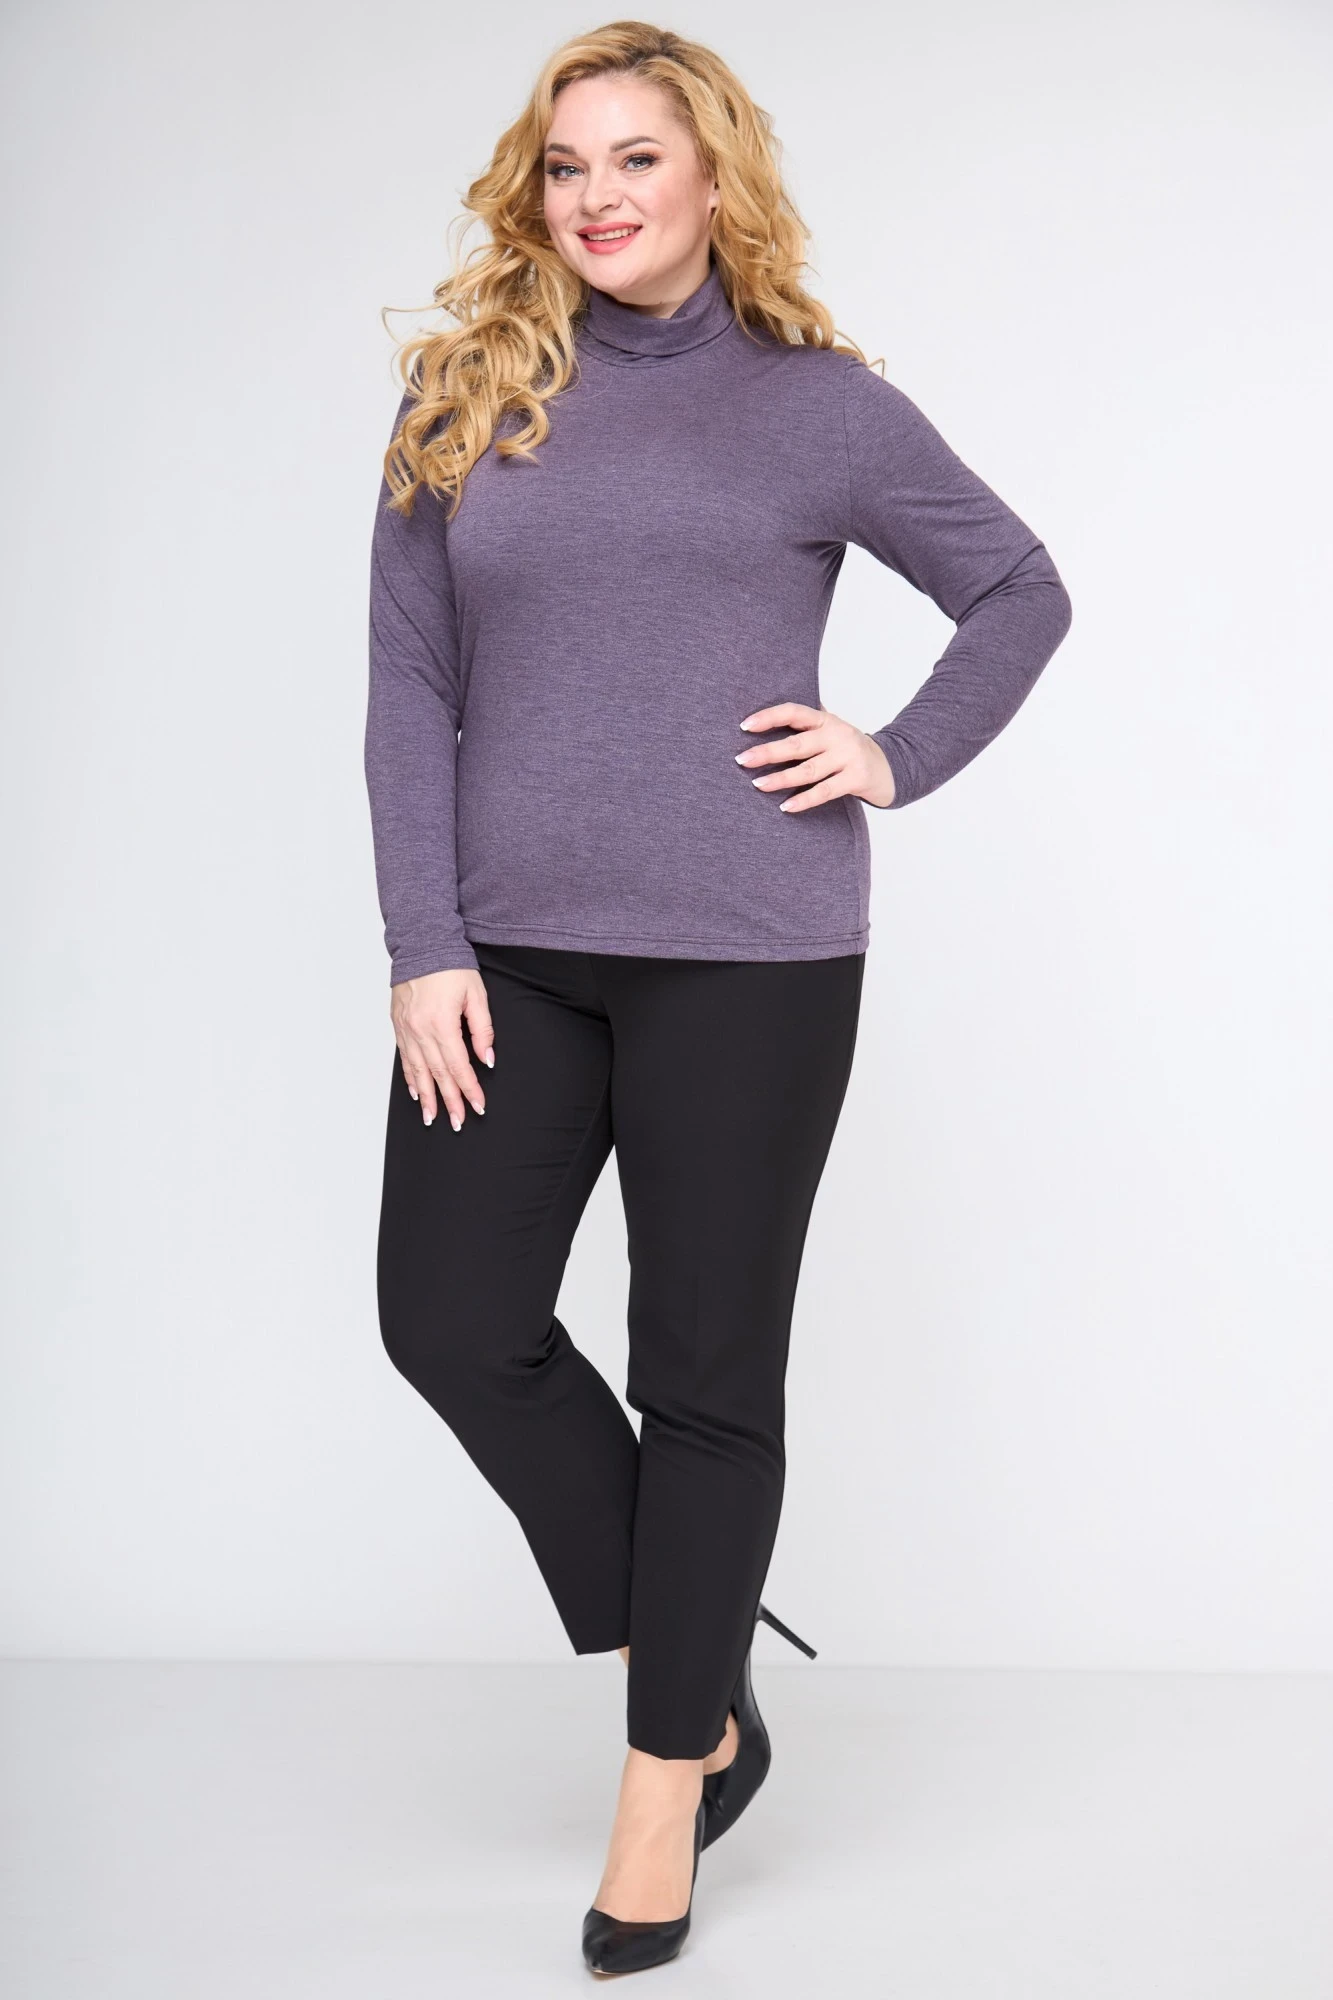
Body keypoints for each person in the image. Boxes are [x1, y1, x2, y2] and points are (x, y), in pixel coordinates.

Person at [364, 19, 1072, 1978]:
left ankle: (666, 1777)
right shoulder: (466, 391)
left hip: (753, 954)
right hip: (509, 950)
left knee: (704, 1377)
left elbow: (1019, 590)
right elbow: (406, 684)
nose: (596, 197)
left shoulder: (817, 408)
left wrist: (892, 755)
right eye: (565, 163)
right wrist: (424, 940)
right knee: (452, 1318)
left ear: (712, 177)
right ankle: (709, 1662)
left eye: (636, 159)